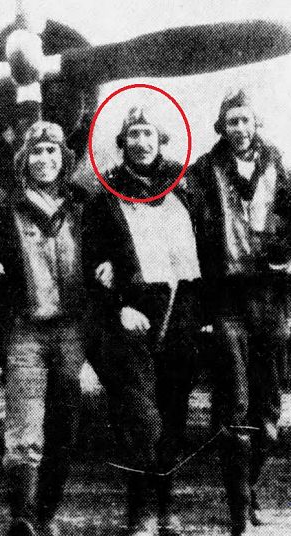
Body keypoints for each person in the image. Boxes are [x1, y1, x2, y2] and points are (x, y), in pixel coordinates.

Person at [83, 106, 202, 536]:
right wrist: (117, 305)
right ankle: (140, 511)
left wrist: (202, 311)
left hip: (180, 308)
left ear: (160, 139)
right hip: (131, 313)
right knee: (139, 416)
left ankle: (165, 507)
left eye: (148, 134)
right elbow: (90, 263)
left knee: (173, 412)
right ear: (123, 143)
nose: (141, 142)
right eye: (133, 135)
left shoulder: (184, 188)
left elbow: (206, 246)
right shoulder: (105, 197)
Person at [187, 89, 291, 536]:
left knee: (269, 411)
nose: (240, 129)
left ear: (256, 123)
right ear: (222, 127)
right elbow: (186, 220)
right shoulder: (204, 170)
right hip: (227, 299)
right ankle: (238, 512)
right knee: (235, 404)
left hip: (269, 298)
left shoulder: (276, 164)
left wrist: (284, 252)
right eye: (232, 122)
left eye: (246, 120)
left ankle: (251, 487)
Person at [0, 121, 87, 536]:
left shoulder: (81, 207)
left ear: (64, 159)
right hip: (25, 330)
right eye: (36, 153)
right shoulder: (6, 208)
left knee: (64, 423)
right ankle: (23, 517)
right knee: (24, 425)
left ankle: (47, 512)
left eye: (52, 152)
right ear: (24, 161)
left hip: (71, 331)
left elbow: (109, 244)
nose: (44, 160)